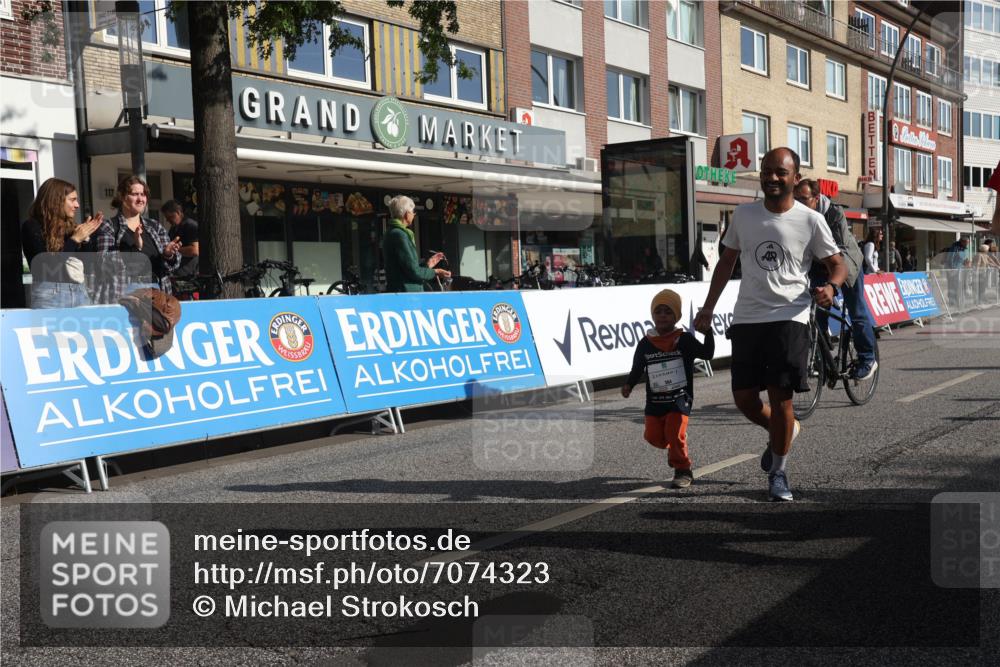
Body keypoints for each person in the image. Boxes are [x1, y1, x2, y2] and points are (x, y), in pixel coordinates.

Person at [694, 147, 847, 502]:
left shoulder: (810, 220)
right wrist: (707, 308)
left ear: (796, 178)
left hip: (789, 317)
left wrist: (831, 287)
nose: (772, 177)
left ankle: (778, 473)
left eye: (780, 172)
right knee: (745, 399)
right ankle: (786, 430)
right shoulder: (744, 215)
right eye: (767, 171)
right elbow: (726, 262)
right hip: (747, 316)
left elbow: (837, 264)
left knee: (780, 398)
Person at [621, 289, 715, 489]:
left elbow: (707, 354)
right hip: (655, 401)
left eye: (668, 312)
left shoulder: (685, 339)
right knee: (653, 437)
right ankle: (676, 441)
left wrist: (708, 333)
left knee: (673, 431)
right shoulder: (646, 343)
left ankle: (683, 469)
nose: (662, 315)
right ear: (652, 315)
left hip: (680, 398)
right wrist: (629, 384)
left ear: (676, 316)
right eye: (658, 311)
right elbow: (638, 367)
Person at [793, 179, 877, 380]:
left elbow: (838, 253)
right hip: (819, 266)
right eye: (796, 199)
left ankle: (867, 358)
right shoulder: (796, 216)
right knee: (818, 311)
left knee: (856, 311)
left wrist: (833, 283)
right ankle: (821, 356)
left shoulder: (834, 214)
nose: (799, 203)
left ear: (816, 198)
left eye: (804, 199)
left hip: (846, 263)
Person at [93, 175, 182, 304]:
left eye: (143, 194)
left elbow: (172, 266)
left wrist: (168, 255)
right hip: (125, 296)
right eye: (135, 194)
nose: (141, 199)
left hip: (157, 295)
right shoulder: (110, 226)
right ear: (123, 197)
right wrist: (136, 248)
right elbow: (104, 265)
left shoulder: (154, 226)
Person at [21, 178, 103, 308]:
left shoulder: (70, 228)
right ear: (57, 201)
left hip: (79, 292)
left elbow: (87, 266)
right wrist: (74, 240)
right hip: (50, 295)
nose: (77, 205)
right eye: (72, 199)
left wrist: (86, 238)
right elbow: (48, 267)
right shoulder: (32, 226)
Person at [382, 195, 450, 292]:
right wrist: (435, 272)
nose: (414, 215)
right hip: (406, 294)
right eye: (413, 212)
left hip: (400, 291)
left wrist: (428, 265)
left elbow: (408, 268)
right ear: (406, 214)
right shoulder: (399, 235)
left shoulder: (391, 232)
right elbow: (413, 272)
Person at [161, 199, 199, 278]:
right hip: (176, 274)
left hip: (189, 276)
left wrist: (174, 250)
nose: (168, 220)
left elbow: (195, 250)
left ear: (178, 212)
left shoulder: (190, 225)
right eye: (166, 218)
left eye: (170, 217)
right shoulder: (173, 229)